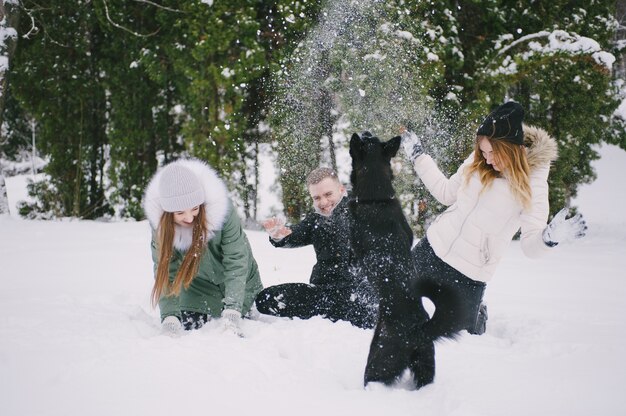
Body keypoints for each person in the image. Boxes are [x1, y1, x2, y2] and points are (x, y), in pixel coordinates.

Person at [401, 101, 586, 336]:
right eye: (484, 152)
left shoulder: (532, 182)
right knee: (393, 302)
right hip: (432, 248)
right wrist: (419, 156)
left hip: (468, 275)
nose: (488, 159)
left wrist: (550, 238)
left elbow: (530, 245)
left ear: (512, 148)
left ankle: (477, 315)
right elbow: (446, 193)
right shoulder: (479, 160)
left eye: (493, 152)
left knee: (464, 339)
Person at [143, 158, 263, 336]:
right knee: (193, 329)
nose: (190, 218)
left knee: (243, 319)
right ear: (168, 213)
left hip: (242, 286)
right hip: (197, 290)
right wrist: (170, 317)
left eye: (194, 208)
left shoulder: (224, 212)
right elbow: (166, 270)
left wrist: (233, 310)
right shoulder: (161, 228)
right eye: (180, 213)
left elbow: (236, 260)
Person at [255, 167, 378, 329]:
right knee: (265, 299)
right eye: (317, 198)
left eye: (328, 195)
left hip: (357, 292)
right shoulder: (316, 220)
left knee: (367, 307)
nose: (324, 203)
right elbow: (294, 234)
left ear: (341, 189)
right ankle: (330, 312)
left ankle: (337, 313)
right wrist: (279, 236)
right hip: (321, 293)